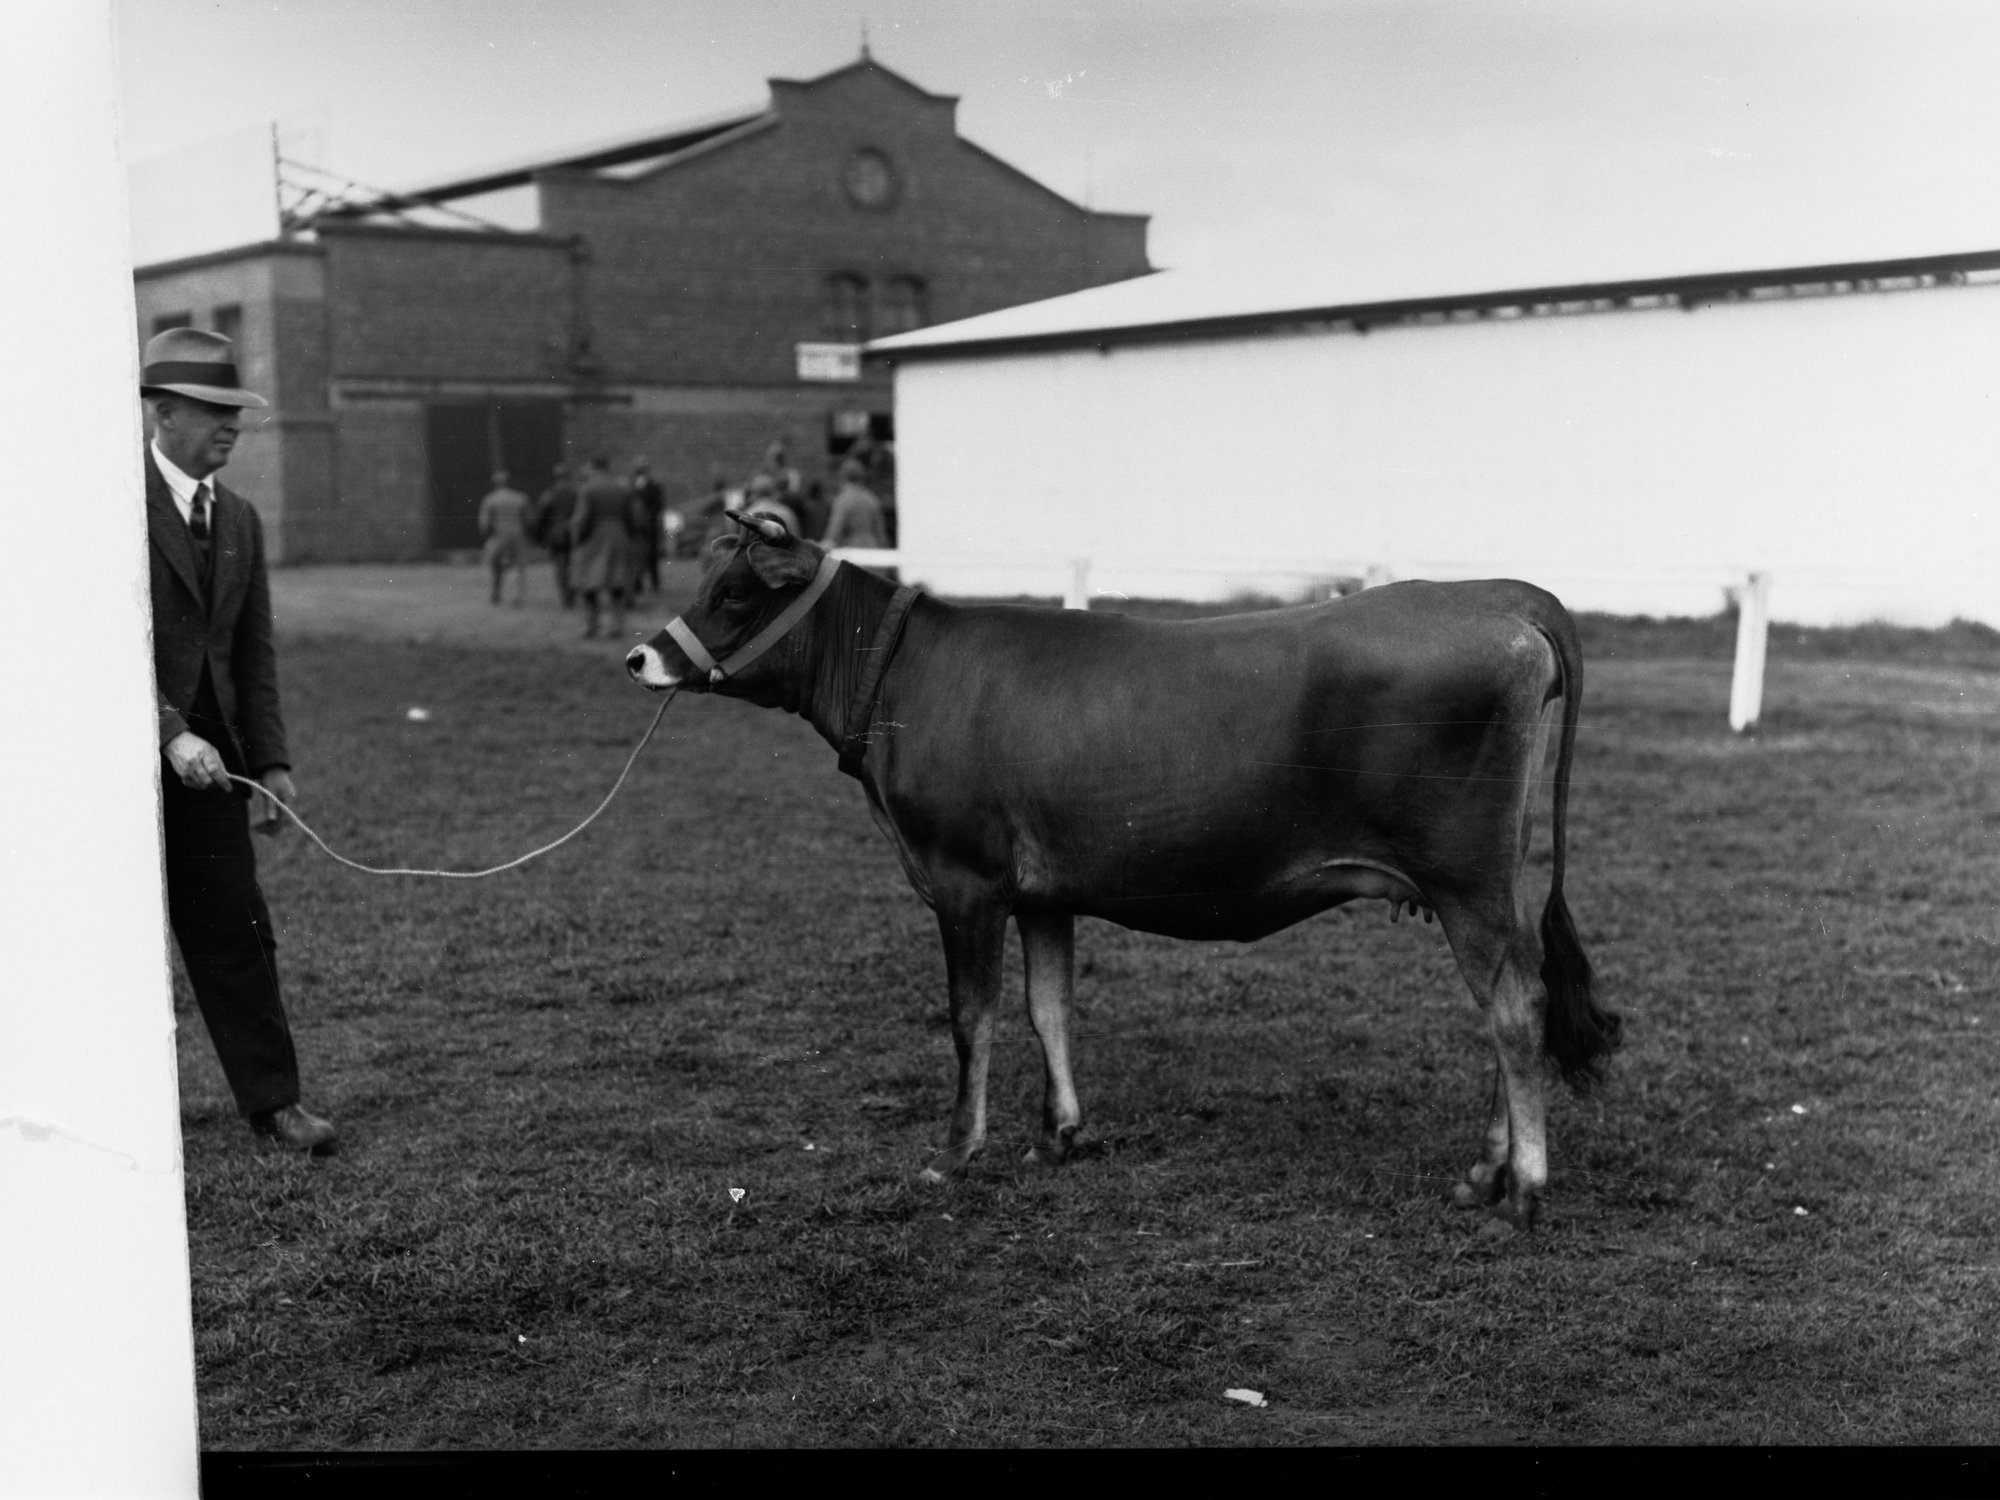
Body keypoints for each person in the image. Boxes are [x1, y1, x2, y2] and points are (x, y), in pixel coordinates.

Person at [140, 327, 336, 1154]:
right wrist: (167, 732)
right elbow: (84, 639)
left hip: (212, 774)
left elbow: (253, 654)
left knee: (238, 931)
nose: (231, 424)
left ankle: (274, 1103)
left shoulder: (242, 519)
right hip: (116, 761)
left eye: (236, 410)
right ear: (163, 411)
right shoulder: (104, 505)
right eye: (214, 409)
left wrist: (274, 762)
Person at [569, 456, 641, 639]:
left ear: (593, 467)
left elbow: (583, 518)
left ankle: (591, 625)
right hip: (619, 536)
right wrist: (630, 537)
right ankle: (616, 626)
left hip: (594, 537)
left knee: (589, 584)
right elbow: (631, 518)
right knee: (617, 584)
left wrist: (578, 538)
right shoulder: (622, 488)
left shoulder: (587, 489)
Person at [477, 468, 532, 606]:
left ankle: (496, 594)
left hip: (498, 535)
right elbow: (529, 520)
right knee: (516, 565)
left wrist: (486, 536)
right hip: (517, 534)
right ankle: (516, 597)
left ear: (494, 483)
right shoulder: (520, 497)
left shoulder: (489, 500)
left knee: (495, 565)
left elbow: (484, 524)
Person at [534, 463, 578, 608]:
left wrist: (540, 537)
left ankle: (566, 598)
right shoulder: (576, 493)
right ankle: (573, 593)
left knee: (560, 567)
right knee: (573, 565)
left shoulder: (549, 494)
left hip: (556, 536)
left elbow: (541, 517)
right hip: (574, 534)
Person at [820, 458, 888, 550]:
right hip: (873, 548)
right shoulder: (871, 498)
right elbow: (881, 534)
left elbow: (834, 532)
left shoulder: (843, 500)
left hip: (853, 549)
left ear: (842, 476)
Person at [629, 457, 667, 596]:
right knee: (636, 555)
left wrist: (649, 516)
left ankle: (654, 583)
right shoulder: (631, 484)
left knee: (651, 555)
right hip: (635, 526)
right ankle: (637, 583)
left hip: (649, 525)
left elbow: (658, 503)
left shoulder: (653, 485)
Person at [740, 471, 801, 536]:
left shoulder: (748, 513)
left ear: (754, 492)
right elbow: (796, 540)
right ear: (774, 490)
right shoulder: (786, 512)